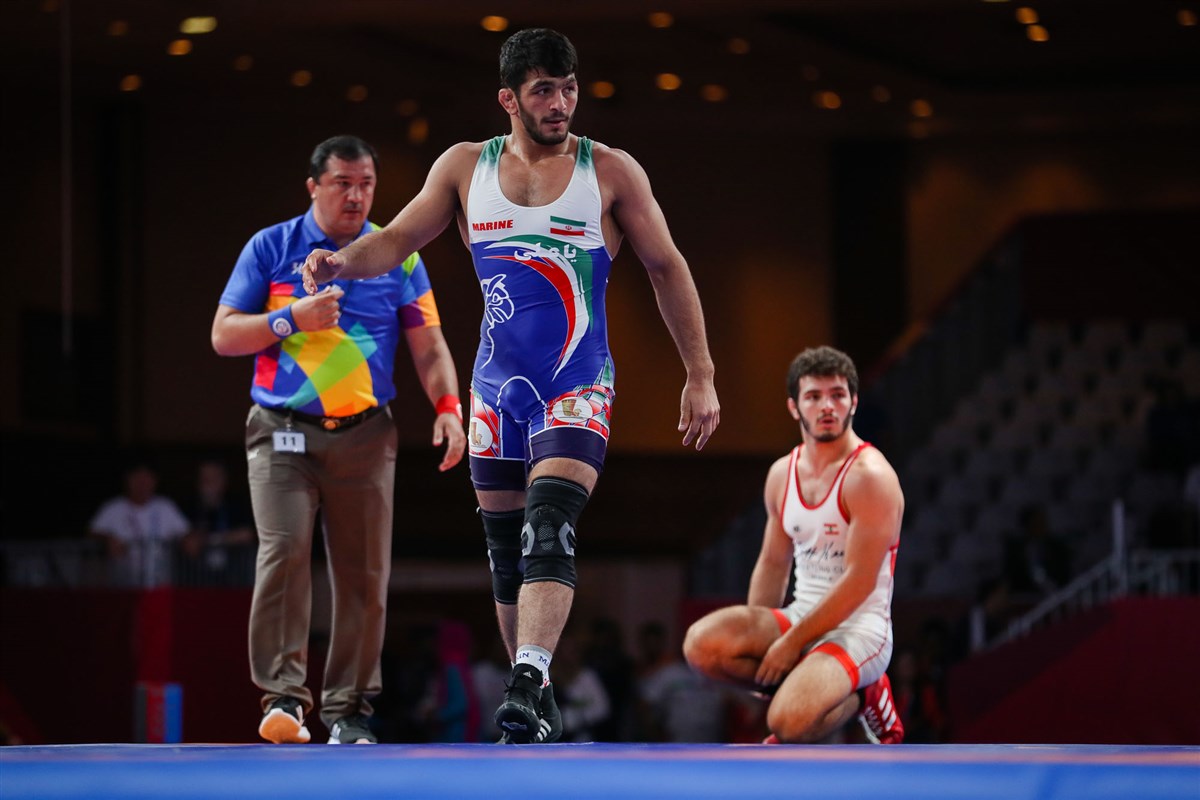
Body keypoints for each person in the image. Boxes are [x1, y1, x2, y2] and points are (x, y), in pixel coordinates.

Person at [301, 29, 720, 744]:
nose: (560, 105)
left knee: (549, 525)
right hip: (495, 389)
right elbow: (397, 239)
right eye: (543, 91)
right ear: (508, 99)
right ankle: (538, 699)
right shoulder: (465, 168)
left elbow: (666, 266)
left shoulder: (610, 171)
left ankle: (526, 678)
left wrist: (700, 372)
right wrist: (342, 262)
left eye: (569, 89)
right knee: (506, 554)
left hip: (576, 380)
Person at [211, 134, 466, 745]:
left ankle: (349, 714)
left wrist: (449, 408)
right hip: (281, 432)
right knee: (284, 553)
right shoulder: (271, 247)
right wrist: (289, 319)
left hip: (366, 436)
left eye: (366, 184)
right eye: (342, 184)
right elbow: (224, 335)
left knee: (364, 574)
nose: (355, 196)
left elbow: (429, 345)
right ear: (313, 187)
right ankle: (282, 700)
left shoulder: (397, 256)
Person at [683, 346, 905, 745]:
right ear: (794, 407)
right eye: (814, 396)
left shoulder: (870, 477)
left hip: (860, 628)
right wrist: (759, 647)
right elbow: (773, 563)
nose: (827, 406)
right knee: (702, 645)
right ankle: (800, 682)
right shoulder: (782, 474)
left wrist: (789, 645)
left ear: (854, 402)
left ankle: (866, 694)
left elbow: (859, 584)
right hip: (802, 614)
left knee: (787, 723)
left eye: (837, 395)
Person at [88, 462, 190, 588]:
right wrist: (107, 539)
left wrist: (189, 540)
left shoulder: (166, 507)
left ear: (155, 481)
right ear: (127, 480)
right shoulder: (113, 508)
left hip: (159, 583)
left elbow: (185, 533)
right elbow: (92, 533)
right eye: (137, 479)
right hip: (121, 585)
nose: (142, 484)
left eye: (147, 479)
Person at [177, 459, 256, 586]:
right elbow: (185, 539)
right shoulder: (187, 507)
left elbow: (246, 534)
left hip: (233, 580)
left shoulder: (237, 506)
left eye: (214, 478)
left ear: (224, 481)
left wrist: (209, 540)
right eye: (204, 478)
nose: (208, 483)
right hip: (197, 580)